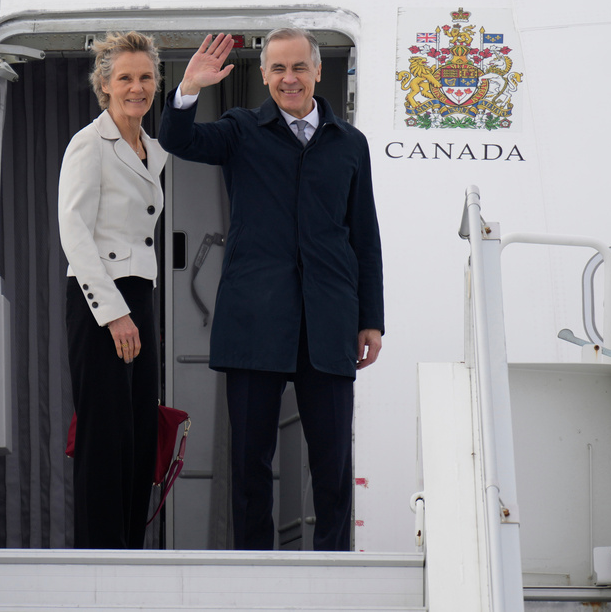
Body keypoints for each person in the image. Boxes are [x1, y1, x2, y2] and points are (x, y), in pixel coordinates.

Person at [158, 28, 384, 551]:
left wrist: (369, 317)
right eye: (278, 69)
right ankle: (254, 570)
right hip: (255, 321)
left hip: (328, 322)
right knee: (250, 461)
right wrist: (188, 89)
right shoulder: (241, 129)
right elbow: (179, 140)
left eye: (299, 67)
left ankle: (332, 567)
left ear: (317, 71)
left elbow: (365, 235)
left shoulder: (350, 143)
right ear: (263, 75)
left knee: (332, 461)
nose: (289, 79)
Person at [58, 31, 168, 548]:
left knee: (139, 434)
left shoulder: (152, 147)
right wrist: (114, 314)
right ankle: (98, 562)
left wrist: (135, 310)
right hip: (100, 299)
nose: (136, 87)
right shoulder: (89, 142)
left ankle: (130, 556)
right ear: (104, 84)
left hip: (139, 296)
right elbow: (74, 232)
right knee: (104, 438)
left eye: (145, 77)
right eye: (124, 77)